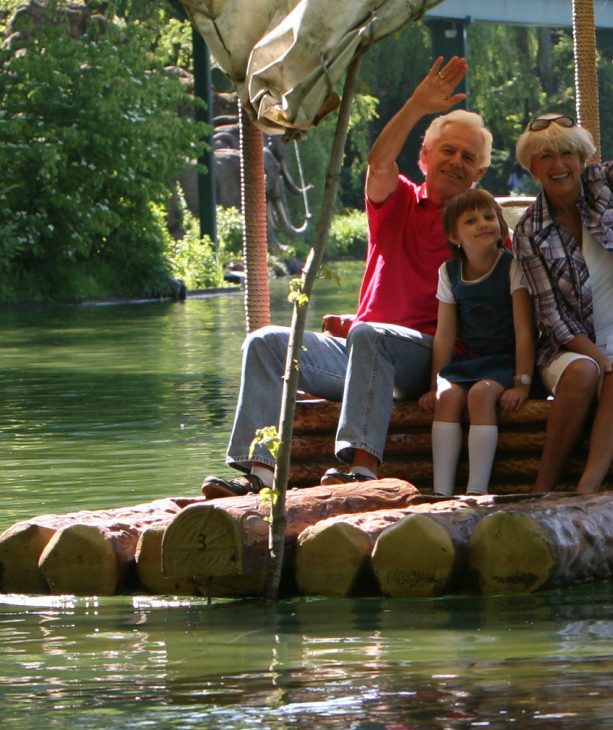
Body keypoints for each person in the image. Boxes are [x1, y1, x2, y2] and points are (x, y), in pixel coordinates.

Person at [209, 58, 490, 494]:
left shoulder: (483, 229)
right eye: (447, 151)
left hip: (422, 361)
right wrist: (417, 105)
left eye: (468, 158)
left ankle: (361, 469)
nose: (455, 162)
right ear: (425, 157)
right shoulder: (397, 201)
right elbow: (379, 164)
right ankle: (258, 476)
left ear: (480, 173)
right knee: (264, 343)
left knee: (370, 335)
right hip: (362, 352)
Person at [513, 52, 613, 494]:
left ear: (583, 158)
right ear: (532, 168)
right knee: (586, 371)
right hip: (571, 344)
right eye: (545, 156)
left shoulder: (604, 184)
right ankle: (543, 489)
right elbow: (552, 315)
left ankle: (587, 492)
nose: (557, 163)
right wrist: (595, 355)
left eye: (566, 153)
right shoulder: (528, 229)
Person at [419, 187, 535, 495]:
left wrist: (522, 383)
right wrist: (435, 384)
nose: (483, 223)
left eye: (489, 217)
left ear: (500, 224)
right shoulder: (450, 271)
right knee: (448, 397)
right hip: (467, 361)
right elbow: (444, 335)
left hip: (504, 362)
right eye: (470, 221)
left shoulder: (512, 266)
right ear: (454, 236)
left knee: (480, 396)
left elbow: (525, 330)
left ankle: (476, 491)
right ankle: (441, 492)